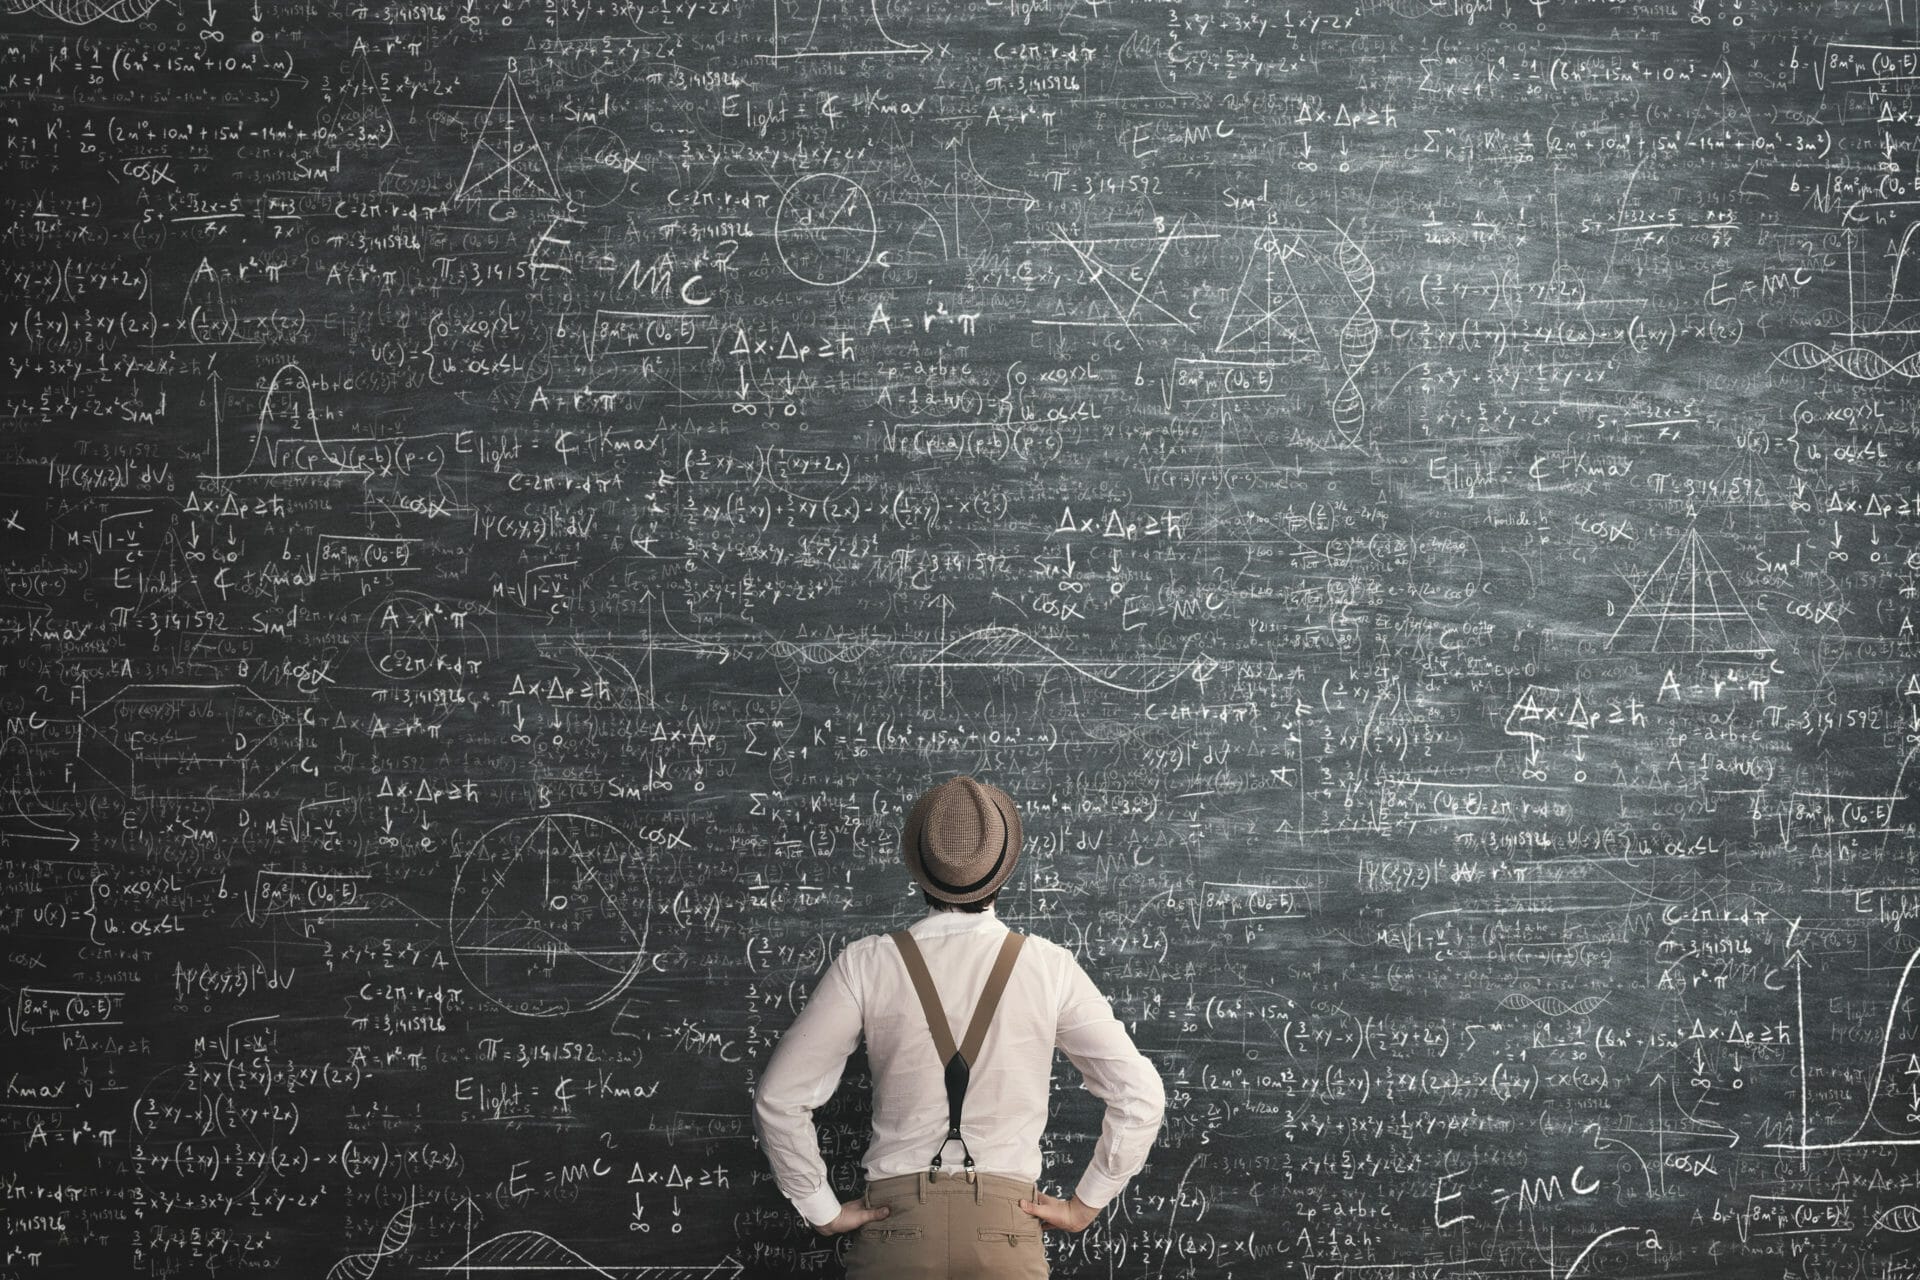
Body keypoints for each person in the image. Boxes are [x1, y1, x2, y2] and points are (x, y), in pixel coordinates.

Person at [750, 774, 1166, 1277]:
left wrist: (822, 1208)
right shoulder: (1049, 967)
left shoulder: (867, 963)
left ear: (919, 870)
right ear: (1003, 871)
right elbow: (1139, 1095)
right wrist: (1085, 1205)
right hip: (1007, 1228)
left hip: (895, 1228)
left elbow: (778, 1098)